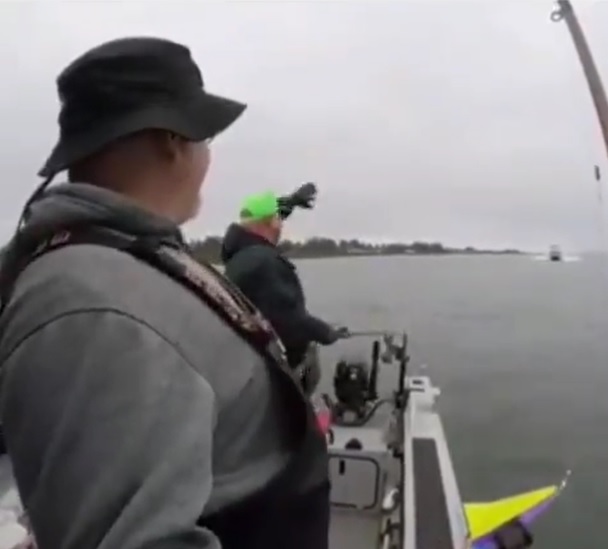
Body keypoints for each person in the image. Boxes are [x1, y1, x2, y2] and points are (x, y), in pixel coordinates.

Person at [0, 37, 330, 549]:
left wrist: (286, 203)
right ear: (173, 141)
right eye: (205, 138)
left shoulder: (126, 259)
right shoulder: (96, 305)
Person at [221, 189, 350, 382]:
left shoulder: (240, 256)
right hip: (277, 375)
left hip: (250, 362)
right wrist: (326, 332)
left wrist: (291, 202)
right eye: (278, 219)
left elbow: (264, 215)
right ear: (270, 223)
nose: (281, 225)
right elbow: (290, 321)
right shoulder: (265, 263)